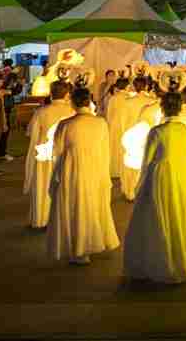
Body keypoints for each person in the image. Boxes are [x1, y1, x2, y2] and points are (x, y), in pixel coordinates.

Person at [124, 92, 186, 284]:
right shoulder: (183, 129)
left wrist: (140, 182)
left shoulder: (157, 131)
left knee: (157, 217)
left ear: (162, 107)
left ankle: (158, 260)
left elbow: (147, 160)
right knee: (176, 214)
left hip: (158, 178)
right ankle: (179, 259)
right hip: (179, 175)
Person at [47, 88, 120, 265]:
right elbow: (105, 149)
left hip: (71, 169)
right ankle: (90, 242)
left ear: (72, 102)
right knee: (92, 203)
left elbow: (57, 151)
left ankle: (77, 246)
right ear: (89, 102)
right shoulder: (100, 123)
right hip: (95, 168)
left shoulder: (66, 124)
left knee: (74, 205)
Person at [24, 81, 75, 227]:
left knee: (43, 184)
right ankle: (62, 219)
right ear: (67, 94)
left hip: (43, 154)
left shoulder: (42, 111)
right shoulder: (71, 111)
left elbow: (31, 133)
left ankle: (41, 218)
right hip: (63, 154)